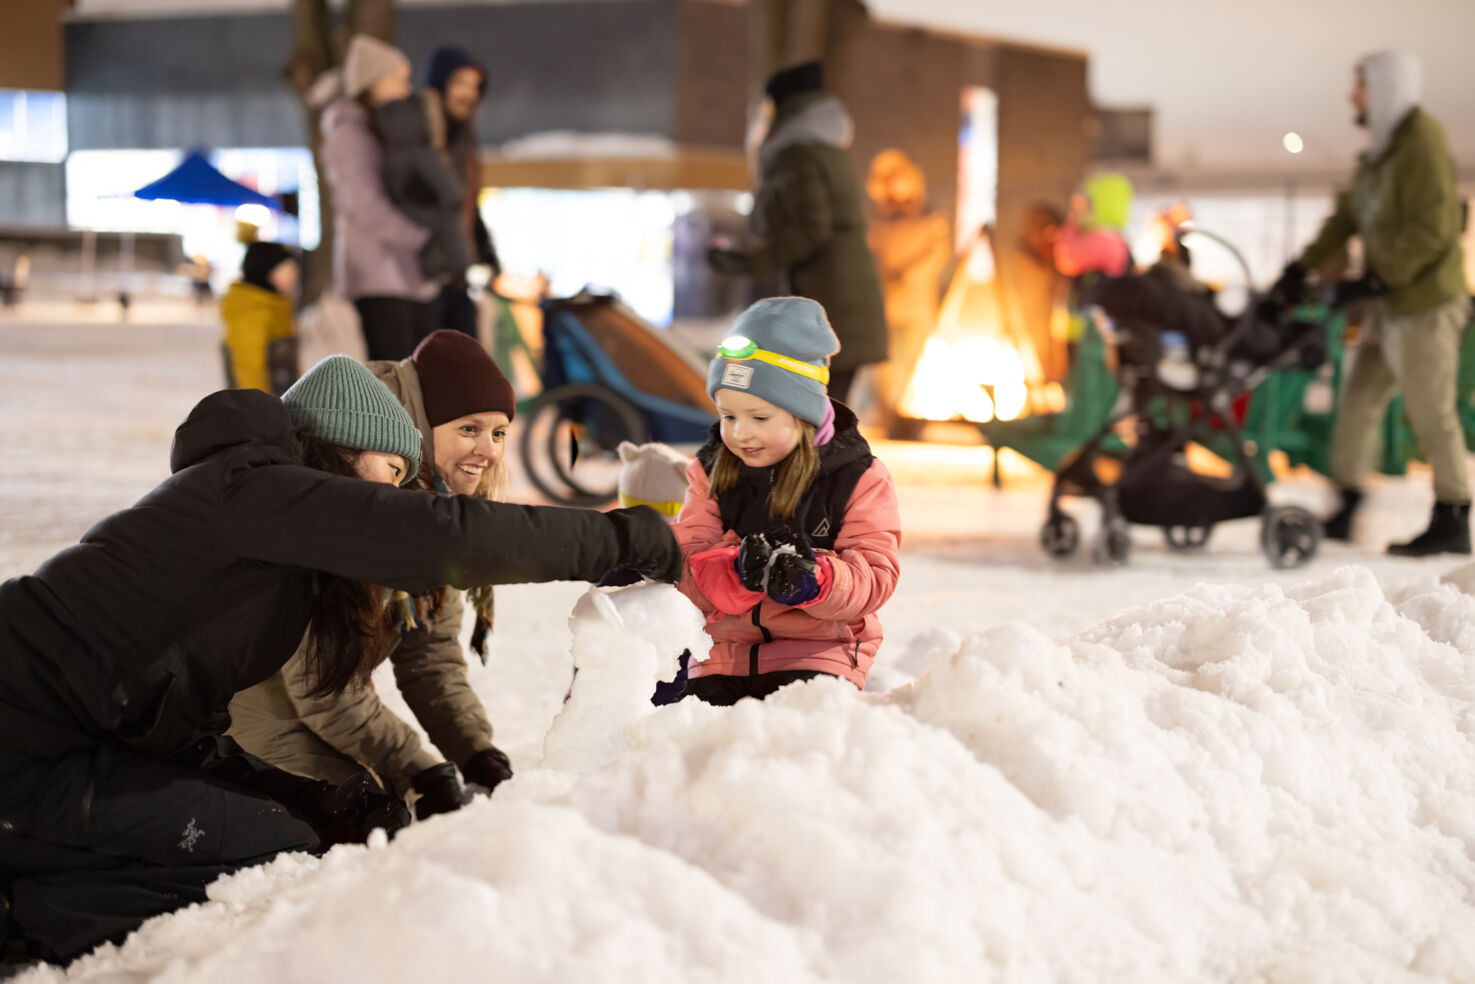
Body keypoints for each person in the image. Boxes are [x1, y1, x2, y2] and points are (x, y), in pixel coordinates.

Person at [0, 355, 680, 962]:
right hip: (24, 738)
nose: (395, 495)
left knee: (283, 829)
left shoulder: (272, 546)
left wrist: (313, 798)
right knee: (265, 850)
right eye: (392, 473)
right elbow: (443, 538)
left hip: (68, 746)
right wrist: (626, 537)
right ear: (345, 447)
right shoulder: (255, 489)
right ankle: (24, 918)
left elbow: (179, 730)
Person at [229, 331, 520, 818]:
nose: (489, 451)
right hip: (239, 707)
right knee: (366, 816)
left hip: (303, 703)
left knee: (392, 805)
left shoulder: (434, 507)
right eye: (470, 429)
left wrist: (476, 751)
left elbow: (429, 656)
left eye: (499, 433)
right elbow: (321, 683)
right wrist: (417, 766)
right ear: (423, 424)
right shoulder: (352, 486)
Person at [1271, 51, 1470, 556]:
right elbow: (1344, 221)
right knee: (1358, 402)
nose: (1352, 97)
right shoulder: (1377, 157)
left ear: (1385, 88)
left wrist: (1378, 278)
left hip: (1425, 303)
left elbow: (1435, 228)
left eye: (1359, 87)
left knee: (1431, 411)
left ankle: (1453, 515)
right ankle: (1349, 499)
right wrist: (1298, 270)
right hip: (1389, 305)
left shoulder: (1421, 144)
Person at [671, 297, 901, 705]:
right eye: (728, 416)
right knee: (700, 734)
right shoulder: (711, 472)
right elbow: (684, 564)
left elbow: (875, 576)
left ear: (804, 413)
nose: (739, 433)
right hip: (722, 654)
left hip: (819, 652)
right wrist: (731, 572)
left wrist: (815, 580)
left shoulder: (857, 477)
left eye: (759, 417)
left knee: (800, 727)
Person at [707, 61, 888, 407]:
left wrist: (752, 261)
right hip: (842, 304)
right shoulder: (827, 151)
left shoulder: (799, 156)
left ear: (786, 109)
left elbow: (811, 228)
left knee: (819, 414)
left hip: (830, 304)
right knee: (826, 411)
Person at [321, 35, 438, 361]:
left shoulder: (377, 130)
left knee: (410, 372)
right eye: (398, 79)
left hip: (399, 274)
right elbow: (365, 206)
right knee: (393, 373)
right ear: (372, 83)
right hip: (378, 275)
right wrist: (420, 238)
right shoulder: (349, 135)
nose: (406, 89)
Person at [865, 149, 950, 437]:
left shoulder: (929, 217)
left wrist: (907, 276)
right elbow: (872, 256)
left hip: (916, 305)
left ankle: (913, 420)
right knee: (886, 367)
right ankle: (888, 418)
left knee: (915, 363)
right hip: (886, 305)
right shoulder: (880, 221)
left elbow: (937, 254)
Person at [424, 46, 502, 339]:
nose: (469, 94)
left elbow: (466, 204)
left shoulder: (465, 139)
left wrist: (485, 253)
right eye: (460, 83)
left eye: (475, 86)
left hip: (455, 276)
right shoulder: (424, 135)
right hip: (425, 277)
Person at [221, 241, 299, 396]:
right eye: (287, 269)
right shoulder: (251, 310)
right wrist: (259, 407)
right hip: (266, 405)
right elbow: (249, 369)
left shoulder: (276, 306)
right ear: (266, 271)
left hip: (280, 402)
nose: (295, 274)